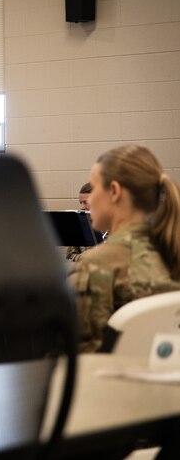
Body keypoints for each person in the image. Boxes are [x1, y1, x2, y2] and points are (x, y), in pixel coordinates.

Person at [68, 145, 180, 353]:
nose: (89, 201)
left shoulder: (97, 265)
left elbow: (81, 358)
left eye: (94, 188)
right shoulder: (171, 249)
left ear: (114, 192)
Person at [66, 182, 94, 262]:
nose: (82, 207)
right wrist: (83, 257)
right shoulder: (81, 226)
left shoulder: (116, 226)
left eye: (85, 202)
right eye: (81, 202)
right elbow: (70, 256)